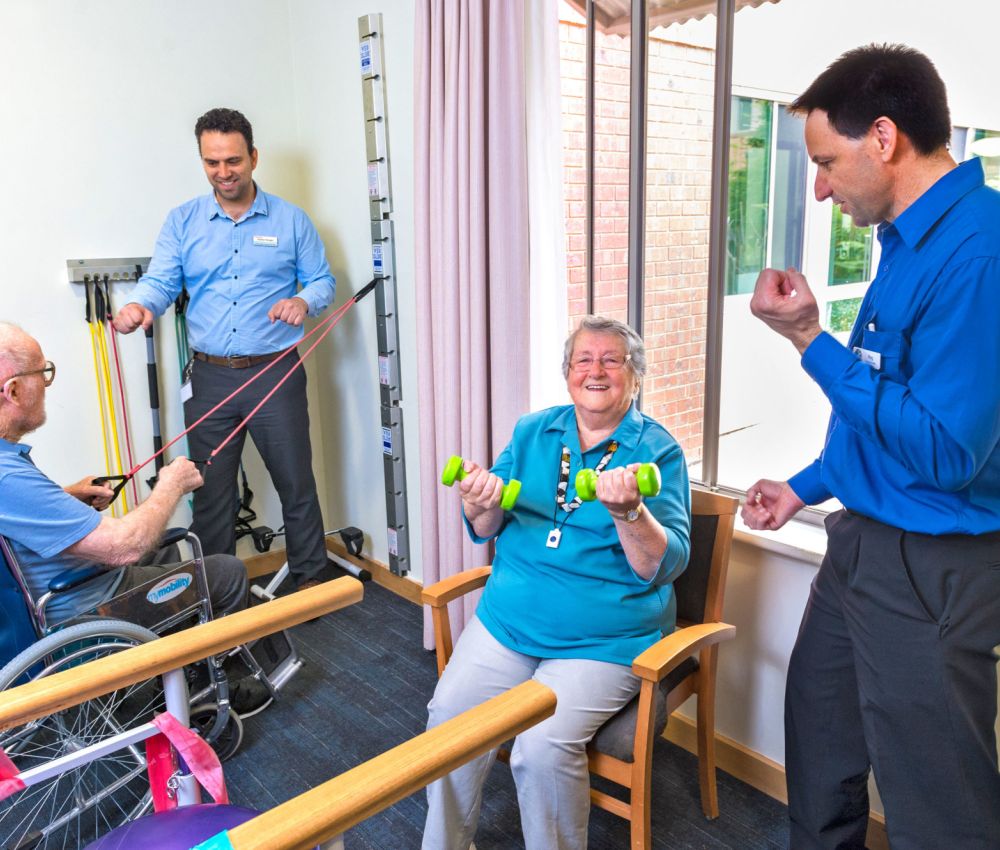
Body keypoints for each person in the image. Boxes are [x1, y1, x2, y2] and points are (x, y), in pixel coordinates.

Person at [741, 45, 1000, 850]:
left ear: (883, 138)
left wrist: (811, 341)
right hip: (862, 543)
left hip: (935, 562)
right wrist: (809, 484)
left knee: (938, 802)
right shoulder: (903, 239)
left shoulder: (982, 251)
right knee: (819, 749)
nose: (817, 185)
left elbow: (946, 452)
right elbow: (891, 403)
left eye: (825, 161)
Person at [422, 316, 691, 850]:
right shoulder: (532, 431)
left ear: (634, 377)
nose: (595, 370)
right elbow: (487, 524)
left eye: (611, 360)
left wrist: (630, 513)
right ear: (567, 373)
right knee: (447, 722)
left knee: (539, 746)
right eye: (582, 360)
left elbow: (663, 566)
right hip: (507, 624)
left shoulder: (657, 452)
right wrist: (477, 503)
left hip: (601, 643)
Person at [113, 107, 334, 590]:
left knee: (295, 484)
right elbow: (160, 280)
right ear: (202, 161)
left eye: (233, 160)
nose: (223, 172)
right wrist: (138, 307)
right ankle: (212, 597)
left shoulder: (291, 220)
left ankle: (313, 587)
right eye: (212, 162)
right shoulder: (183, 221)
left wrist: (301, 300)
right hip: (209, 379)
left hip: (274, 374)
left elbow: (322, 281)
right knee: (210, 493)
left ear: (253, 157)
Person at [0, 322, 267, 714]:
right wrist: (171, 486)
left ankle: (174, 673)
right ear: (14, 390)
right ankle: (208, 693)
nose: (48, 383)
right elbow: (124, 547)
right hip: (77, 611)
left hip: (55, 591)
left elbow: (20, 513)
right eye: (44, 372)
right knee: (226, 574)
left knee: (167, 557)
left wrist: (68, 498)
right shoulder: (8, 475)